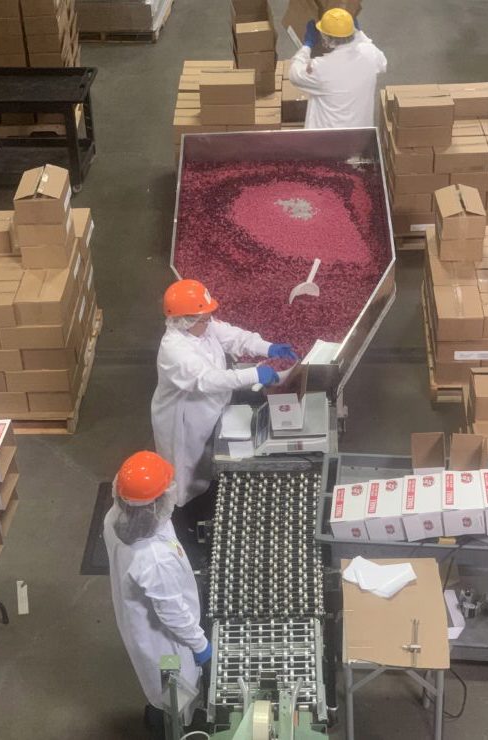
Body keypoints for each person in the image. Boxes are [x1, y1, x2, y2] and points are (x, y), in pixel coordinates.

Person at [151, 278, 297, 509]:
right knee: (185, 466)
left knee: (207, 458)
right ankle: (181, 509)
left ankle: (205, 489)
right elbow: (209, 380)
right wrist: (254, 375)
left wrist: (267, 347)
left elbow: (233, 336)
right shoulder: (174, 351)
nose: (209, 322)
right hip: (185, 417)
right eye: (204, 318)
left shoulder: (201, 327)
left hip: (212, 405)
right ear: (185, 320)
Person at [104, 451, 212, 737]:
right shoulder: (153, 558)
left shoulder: (117, 518)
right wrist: (200, 645)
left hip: (136, 619)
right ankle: (170, 729)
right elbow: (172, 613)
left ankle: (159, 713)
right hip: (164, 641)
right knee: (177, 689)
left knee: (161, 688)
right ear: (156, 503)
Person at [289, 7, 387, 130]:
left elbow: (294, 74)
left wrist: (307, 46)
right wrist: (359, 33)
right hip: (361, 135)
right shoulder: (370, 54)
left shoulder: (321, 67)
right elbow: (382, 63)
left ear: (326, 38)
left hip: (328, 140)